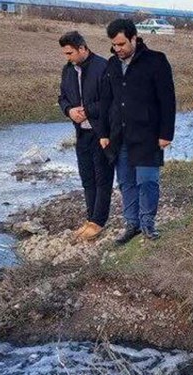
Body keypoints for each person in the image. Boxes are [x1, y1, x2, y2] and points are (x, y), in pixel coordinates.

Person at [97, 19, 176, 245]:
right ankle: (132, 224)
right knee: (126, 182)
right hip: (119, 136)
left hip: (148, 135)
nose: (117, 49)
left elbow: (167, 100)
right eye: (114, 45)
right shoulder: (112, 64)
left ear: (134, 38)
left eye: (122, 44)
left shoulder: (156, 61)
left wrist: (166, 134)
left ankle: (148, 223)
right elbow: (105, 101)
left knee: (147, 181)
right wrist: (103, 133)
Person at [57, 31, 115, 242]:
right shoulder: (68, 70)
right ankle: (91, 219)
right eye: (65, 54)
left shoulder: (104, 67)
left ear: (82, 48)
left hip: (102, 134)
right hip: (81, 133)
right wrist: (69, 111)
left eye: (70, 53)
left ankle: (98, 222)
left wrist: (87, 111)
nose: (67, 57)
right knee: (87, 178)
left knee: (103, 178)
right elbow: (62, 97)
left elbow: (113, 101)